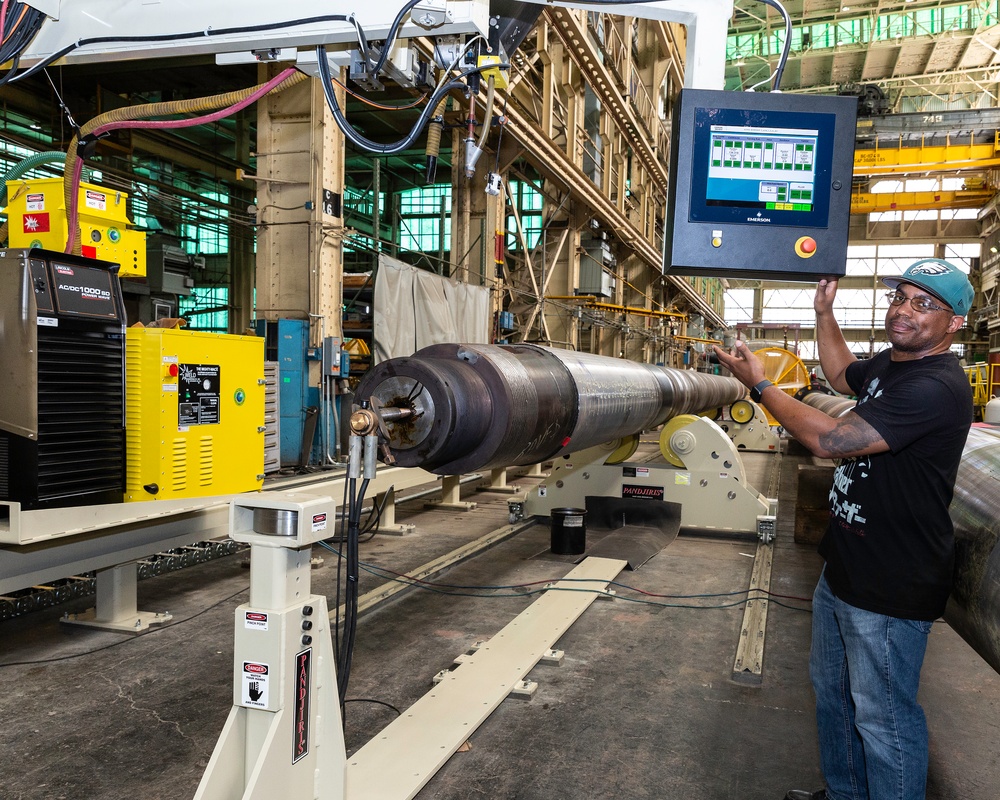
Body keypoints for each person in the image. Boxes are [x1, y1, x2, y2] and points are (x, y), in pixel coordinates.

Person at [713, 258, 974, 800]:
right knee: (835, 697)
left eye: (924, 304)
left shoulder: (934, 386)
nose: (905, 310)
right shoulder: (893, 365)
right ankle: (846, 794)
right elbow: (841, 375)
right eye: (900, 297)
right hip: (847, 566)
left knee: (884, 720)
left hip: (891, 580)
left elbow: (830, 441)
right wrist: (824, 313)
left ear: (955, 324)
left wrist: (760, 385)